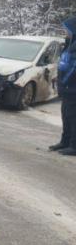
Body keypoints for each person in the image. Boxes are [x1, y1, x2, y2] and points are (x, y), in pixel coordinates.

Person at [50, 16, 76, 156]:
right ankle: (65, 141)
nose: (65, 31)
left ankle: (74, 146)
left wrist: (64, 82)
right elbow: (64, 64)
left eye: (67, 29)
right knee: (65, 116)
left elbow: (73, 69)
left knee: (73, 117)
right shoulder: (69, 43)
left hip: (72, 88)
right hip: (66, 88)